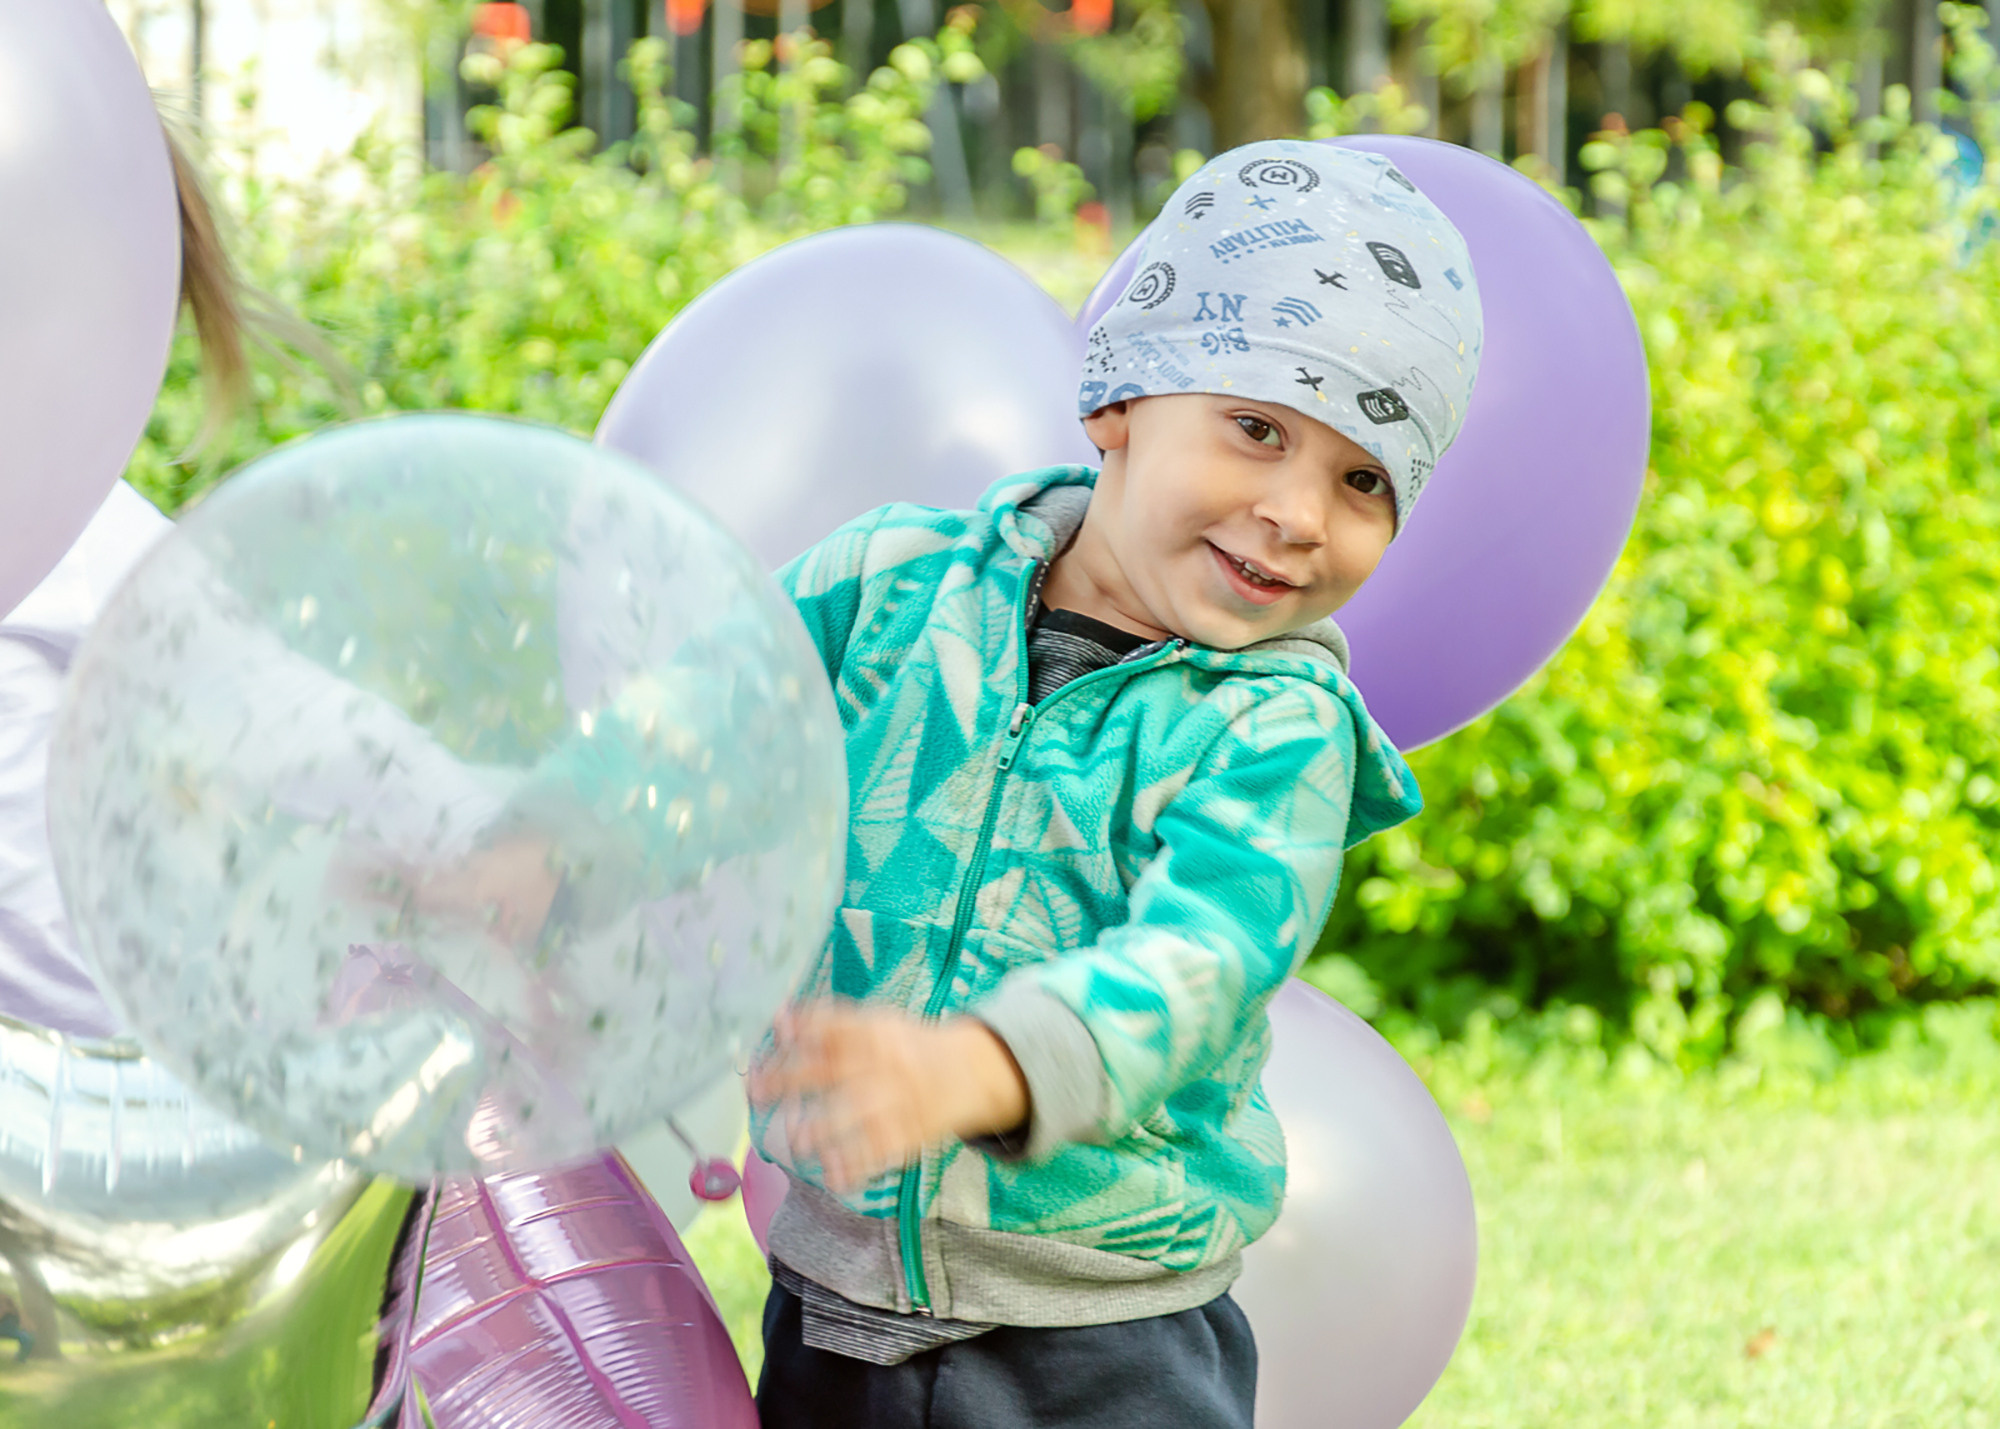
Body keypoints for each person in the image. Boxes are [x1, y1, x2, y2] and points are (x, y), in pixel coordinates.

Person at [745, 139, 1484, 1428]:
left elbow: (1202, 961)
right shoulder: (887, 586)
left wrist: (984, 1068)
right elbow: (699, 720)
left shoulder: (1275, 729)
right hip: (829, 1309)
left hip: (1105, 1347)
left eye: (1364, 480)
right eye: (1257, 428)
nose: (1303, 514)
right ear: (1120, 404)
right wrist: (542, 841)